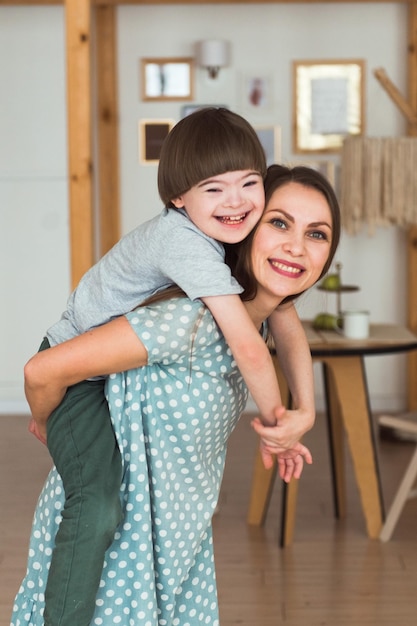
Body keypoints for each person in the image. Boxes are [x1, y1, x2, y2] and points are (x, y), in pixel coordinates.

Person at [12, 164, 341, 626]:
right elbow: (43, 369)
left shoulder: (261, 317)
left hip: (177, 545)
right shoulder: (189, 322)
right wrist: (46, 421)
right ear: (245, 228)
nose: (296, 246)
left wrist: (301, 414)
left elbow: (287, 326)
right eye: (280, 222)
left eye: (318, 234)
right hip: (114, 550)